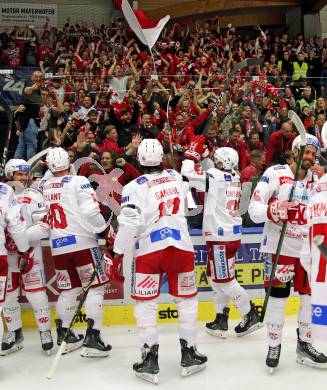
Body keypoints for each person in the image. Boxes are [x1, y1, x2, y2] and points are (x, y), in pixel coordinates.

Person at [113, 139, 207, 384]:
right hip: (181, 248)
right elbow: (190, 204)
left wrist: (118, 252)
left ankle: (149, 358)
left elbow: (130, 222)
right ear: (162, 158)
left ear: (139, 160)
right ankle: (190, 352)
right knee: (186, 301)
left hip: (150, 250)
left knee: (146, 304)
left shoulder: (133, 187)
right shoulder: (175, 177)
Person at [248, 134, 327, 371]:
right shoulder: (275, 173)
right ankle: (274, 344)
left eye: (314, 153)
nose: (310, 157)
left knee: (309, 299)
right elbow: (254, 209)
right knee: (276, 301)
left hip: (308, 250)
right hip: (279, 248)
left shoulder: (319, 179)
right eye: (306, 151)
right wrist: (274, 210)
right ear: (294, 152)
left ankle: (305, 344)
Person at [181, 139, 263, 338]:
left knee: (225, 280)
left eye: (217, 160)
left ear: (221, 163)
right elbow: (209, 170)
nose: (214, 163)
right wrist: (206, 155)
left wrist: (191, 154)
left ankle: (249, 314)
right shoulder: (232, 175)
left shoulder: (215, 177)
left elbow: (187, 173)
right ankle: (221, 318)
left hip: (221, 237)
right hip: (229, 235)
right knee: (214, 277)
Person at [41, 147, 111, 357]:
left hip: (59, 246)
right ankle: (93, 338)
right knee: (96, 288)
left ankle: (65, 335)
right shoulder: (77, 181)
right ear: (70, 164)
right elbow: (91, 211)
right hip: (82, 244)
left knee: (68, 291)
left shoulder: (44, 186)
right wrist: (104, 230)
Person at [1, 160, 53, 355]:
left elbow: (45, 225)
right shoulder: (3, 195)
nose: (23, 178)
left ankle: (45, 332)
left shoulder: (34, 195)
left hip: (30, 253)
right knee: (8, 296)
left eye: (25, 174)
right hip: (8, 255)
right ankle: (14, 333)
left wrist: (21, 238)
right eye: (18, 174)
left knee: (37, 295)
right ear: (9, 175)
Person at [0, 180, 31, 350]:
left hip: (5, 254)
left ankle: (15, 331)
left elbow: (18, 225)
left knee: (9, 295)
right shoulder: (4, 190)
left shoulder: (5, 190)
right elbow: (16, 224)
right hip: (2, 253)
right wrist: (24, 249)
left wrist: (23, 248)